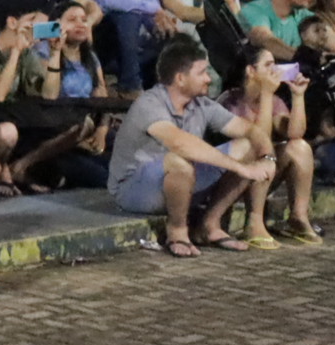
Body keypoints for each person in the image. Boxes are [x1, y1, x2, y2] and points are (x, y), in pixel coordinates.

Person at [108, 38, 284, 257]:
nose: (209, 79)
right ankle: (177, 231)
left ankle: (210, 224)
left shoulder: (202, 104)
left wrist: (267, 157)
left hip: (183, 181)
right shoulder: (149, 103)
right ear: (180, 78)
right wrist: (241, 168)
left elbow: (251, 131)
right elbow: (180, 144)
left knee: (247, 147)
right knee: (178, 161)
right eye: (202, 73)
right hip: (134, 190)